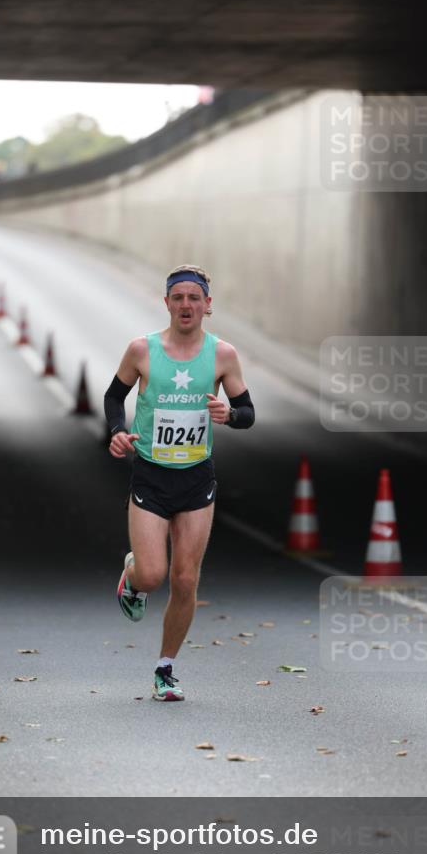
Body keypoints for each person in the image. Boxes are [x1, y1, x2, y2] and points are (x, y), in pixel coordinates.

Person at [104, 265, 255, 702]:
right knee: (153, 575)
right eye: (178, 297)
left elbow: (247, 413)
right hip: (151, 474)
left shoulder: (222, 355)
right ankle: (132, 577)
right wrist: (117, 431)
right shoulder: (142, 350)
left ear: (208, 305)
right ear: (166, 303)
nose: (186, 305)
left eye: (194, 298)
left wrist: (230, 414)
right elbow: (114, 396)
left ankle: (165, 669)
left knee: (185, 579)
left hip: (196, 478)